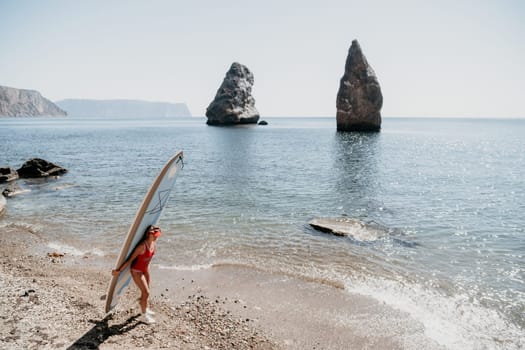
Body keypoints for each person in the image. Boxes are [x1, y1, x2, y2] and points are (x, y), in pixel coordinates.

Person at [112, 225, 162, 324]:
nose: (157, 237)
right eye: (155, 235)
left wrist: (147, 271)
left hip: (145, 270)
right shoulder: (142, 247)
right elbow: (130, 259)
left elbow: (148, 260)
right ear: (149, 234)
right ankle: (143, 316)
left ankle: (145, 308)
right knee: (146, 292)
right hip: (136, 271)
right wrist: (119, 271)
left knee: (147, 292)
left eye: (158, 235)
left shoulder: (153, 244)